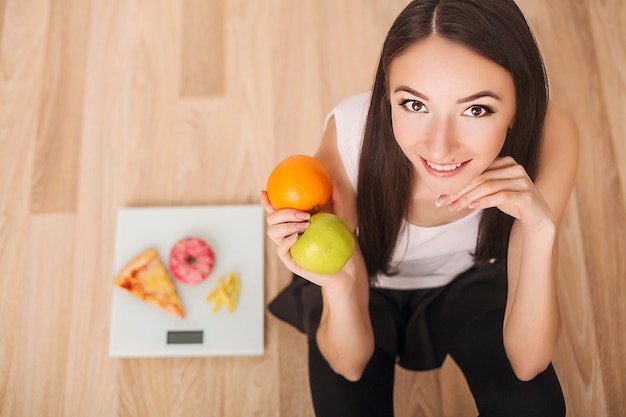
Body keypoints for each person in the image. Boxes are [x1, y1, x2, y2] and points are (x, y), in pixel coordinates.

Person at [261, 0, 578, 416]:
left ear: (519, 104)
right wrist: (338, 285)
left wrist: (540, 231)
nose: (439, 147)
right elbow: (349, 366)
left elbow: (527, 362)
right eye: (414, 104)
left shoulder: (549, 135)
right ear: (386, 97)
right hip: (368, 285)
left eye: (476, 109)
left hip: (472, 281)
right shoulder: (348, 152)